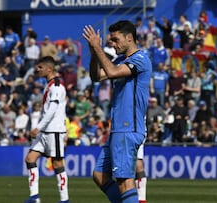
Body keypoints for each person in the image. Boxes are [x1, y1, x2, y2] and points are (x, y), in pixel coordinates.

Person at [83, 20, 151, 203]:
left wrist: (98, 48)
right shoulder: (122, 60)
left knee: (125, 182)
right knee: (99, 174)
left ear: (129, 38)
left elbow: (111, 72)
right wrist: (93, 52)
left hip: (128, 127)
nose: (112, 44)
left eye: (115, 39)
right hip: (118, 129)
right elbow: (96, 76)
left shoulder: (140, 59)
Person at [24, 56, 69, 203]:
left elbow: (53, 109)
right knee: (30, 159)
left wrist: (38, 127)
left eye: (40, 67)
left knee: (57, 163)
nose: (37, 69)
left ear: (49, 68)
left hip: (53, 131)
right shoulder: (49, 84)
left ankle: (64, 199)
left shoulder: (56, 86)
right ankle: (34, 197)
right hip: (45, 132)